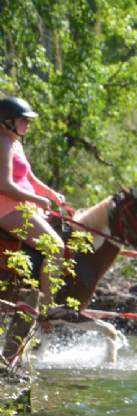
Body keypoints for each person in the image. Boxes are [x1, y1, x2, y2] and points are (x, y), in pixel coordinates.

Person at [0, 96, 65, 309]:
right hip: (7, 209)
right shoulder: (2, 143)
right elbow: (5, 185)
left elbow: (29, 178)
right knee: (55, 247)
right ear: (8, 120)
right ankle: (45, 306)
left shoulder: (14, 142)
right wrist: (37, 199)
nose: (28, 124)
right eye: (23, 120)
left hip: (23, 206)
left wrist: (51, 194)